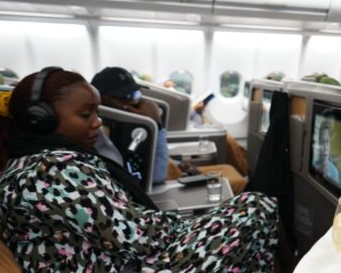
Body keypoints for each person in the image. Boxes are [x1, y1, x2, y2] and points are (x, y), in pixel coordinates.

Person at [0, 68, 287, 273]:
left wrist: (204, 224)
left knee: (252, 216)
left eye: (96, 113)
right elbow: (141, 237)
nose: (97, 123)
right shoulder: (48, 173)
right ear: (39, 120)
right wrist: (199, 224)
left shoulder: (38, 166)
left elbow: (124, 229)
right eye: (85, 114)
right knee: (257, 209)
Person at [92, 67, 247, 193]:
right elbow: (156, 176)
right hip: (161, 183)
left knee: (228, 168)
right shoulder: (100, 137)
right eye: (125, 96)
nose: (134, 101)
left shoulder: (121, 125)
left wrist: (179, 164)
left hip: (170, 170)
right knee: (237, 183)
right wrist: (157, 126)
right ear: (103, 99)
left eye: (135, 94)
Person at [314, 120, 341, 186]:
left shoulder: (335, 172)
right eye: (322, 142)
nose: (325, 147)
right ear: (319, 144)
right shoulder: (314, 164)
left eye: (327, 141)